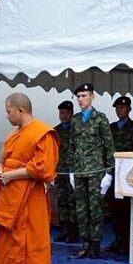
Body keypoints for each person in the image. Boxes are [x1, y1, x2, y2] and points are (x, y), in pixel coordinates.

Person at [0, 93, 59, 264]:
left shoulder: (42, 133)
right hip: (11, 199)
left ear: (20, 110)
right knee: (13, 243)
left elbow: (44, 168)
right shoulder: (13, 135)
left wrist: (12, 175)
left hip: (32, 198)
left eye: (8, 111)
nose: (6, 115)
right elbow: (1, 159)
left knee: (33, 245)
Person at [68, 83, 115, 259]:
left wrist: (109, 174)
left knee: (95, 210)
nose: (81, 99)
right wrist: (71, 170)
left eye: (84, 96)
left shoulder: (100, 119)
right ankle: (85, 244)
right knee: (81, 209)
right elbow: (71, 146)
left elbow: (109, 146)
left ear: (92, 97)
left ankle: (95, 245)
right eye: (79, 96)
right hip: (79, 171)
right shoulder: (75, 120)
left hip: (96, 171)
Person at [106, 96, 133, 254]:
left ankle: (126, 241)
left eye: (123, 108)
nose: (120, 111)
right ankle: (117, 238)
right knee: (114, 207)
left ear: (129, 109)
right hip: (113, 171)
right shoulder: (111, 127)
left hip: (129, 173)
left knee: (126, 208)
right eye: (117, 108)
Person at [53, 100, 78, 243]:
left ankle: (73, 232)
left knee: (72, 201)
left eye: (67, 113)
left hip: (73, 172)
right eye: (62, 113)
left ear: (72, 113)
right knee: (61, 201)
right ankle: (64, 230)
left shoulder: (77, 130)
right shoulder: (55, 131)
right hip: (60, 171)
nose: (64, 116)